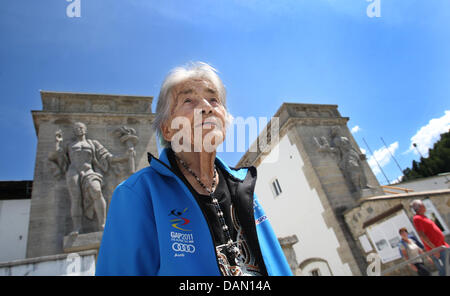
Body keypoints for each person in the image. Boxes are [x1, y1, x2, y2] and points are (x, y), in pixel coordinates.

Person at [95, 62, 292, 276]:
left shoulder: (244, 188)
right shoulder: (138, 195)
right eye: (188, 100)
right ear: (167, 130)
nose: (207, 107)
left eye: (214, 99)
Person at [411, 199, 449, 276]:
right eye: (423, 205)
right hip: (437, 249)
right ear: (419, 207)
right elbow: (422, 235)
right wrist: (434, 249)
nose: (425, 206)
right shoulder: (417, 218)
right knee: (444, 270)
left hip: (442, 245)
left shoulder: (424, 217)